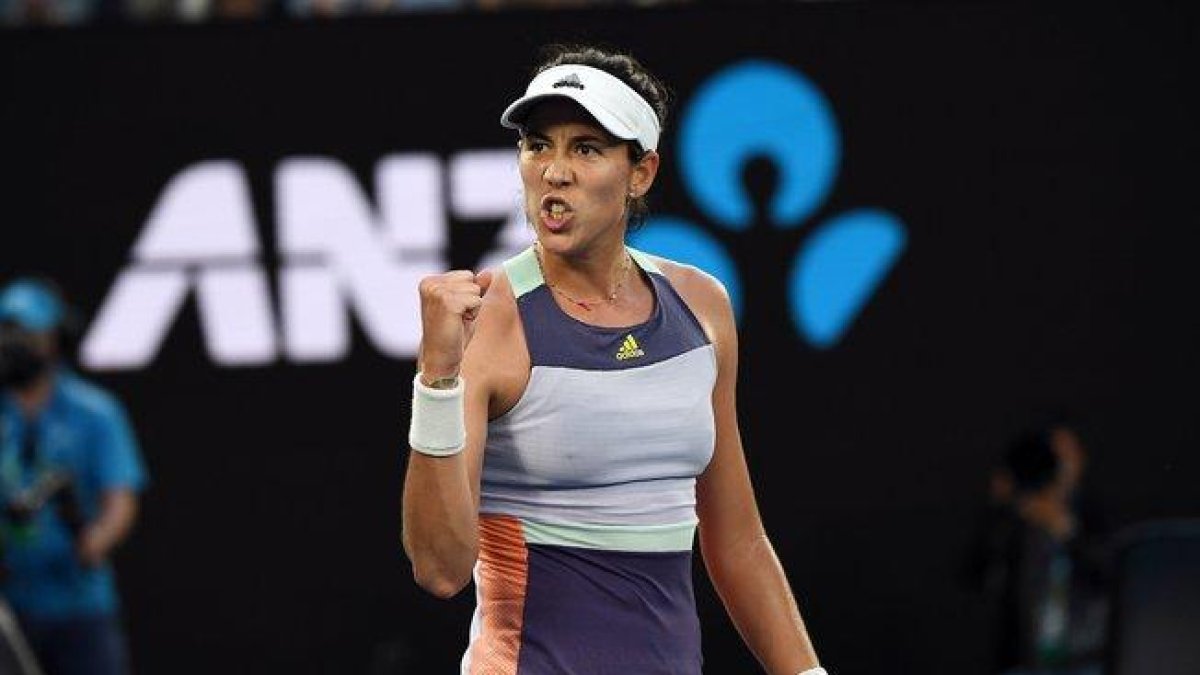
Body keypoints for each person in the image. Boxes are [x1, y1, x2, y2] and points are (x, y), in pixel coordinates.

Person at [401, 42, 827, 674]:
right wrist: (436, 379)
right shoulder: (487, 321)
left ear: (641, 173)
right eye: (538, 144)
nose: (554, 170)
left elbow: (736, 539)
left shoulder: (701, 307)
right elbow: (439, 568)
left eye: (587, 148)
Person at [0, 277, 148, 675]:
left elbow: (121, 498)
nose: (13, 347)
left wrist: (95, 541)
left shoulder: (96, 412)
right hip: (10, 603)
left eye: (26, 336)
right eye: (6, 334)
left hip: (79, 602)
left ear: (54, 340)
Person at [962, 419, 1110, 675]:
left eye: (1067, 457)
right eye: (1053, 457)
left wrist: (1068, 533)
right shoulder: (1018, 521)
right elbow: (975, 575)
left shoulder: (1091, 516)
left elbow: (1110, 572)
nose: (1060, 468)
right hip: (1028, 661)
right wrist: (999, 510)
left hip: (1085, 658)